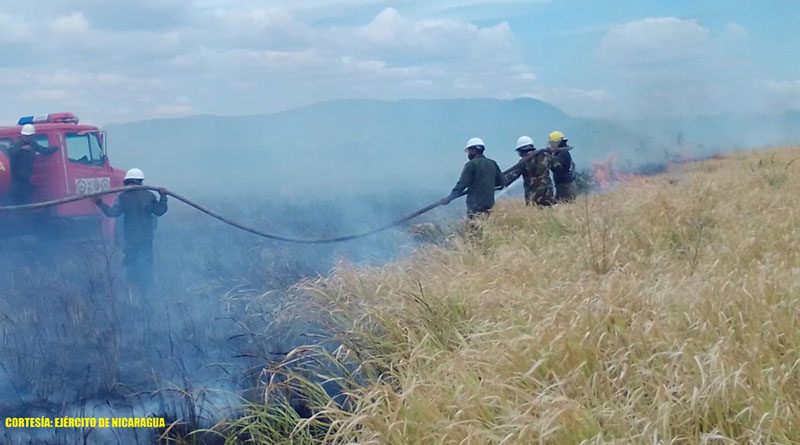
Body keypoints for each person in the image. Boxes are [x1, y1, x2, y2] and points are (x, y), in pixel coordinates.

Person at [95, 168, 168, 293]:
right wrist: (163, 197)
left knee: (131, 264)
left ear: (126, 182)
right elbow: (160, 211)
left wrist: (100, 204)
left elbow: (112, 213)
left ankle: (132, 291)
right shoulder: (149, 195)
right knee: (146, 264)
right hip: (146, 238)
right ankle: (146, 290)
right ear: (141, 181)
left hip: (131, 238)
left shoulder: (123, 197)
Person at [440, 137, 504, 218]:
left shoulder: (471, 164)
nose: (468, 154)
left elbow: (462, 185)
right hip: (489, 204)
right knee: (486, 226)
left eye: (469, 151)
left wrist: (448, 198)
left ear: (473, 150)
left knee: (474, 227)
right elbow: (501, 183)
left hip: (475, 205)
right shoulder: (492, 163)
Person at [7, 123, 58, 204]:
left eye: (30, 136)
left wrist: (57, 147)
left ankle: (25, 215)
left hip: (26, 178)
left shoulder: (33, 144)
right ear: (22, 135)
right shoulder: (16, 143)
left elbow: (45, 150)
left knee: (26, 199)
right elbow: (10, 153)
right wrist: (21, 149)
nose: (28, 138)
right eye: (26, 136)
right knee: (14, 199)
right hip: (16, 179)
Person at [504, 136, 556, 206]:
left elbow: (512, 176)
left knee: (535, 215)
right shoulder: (546, 156)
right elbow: (557, 167)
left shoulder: (523, 162)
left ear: (521, 150)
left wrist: (499, 182)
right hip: (548, 194)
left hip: (533, 197)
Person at [547, 131, 577, 202]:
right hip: (563, 185)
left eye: (552, 143)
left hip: (566, 186)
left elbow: (556, 167)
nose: (550, 145)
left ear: (557, 142)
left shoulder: (563, 153)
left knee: (566, 205)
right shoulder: (560, 152)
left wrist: (548, 157)